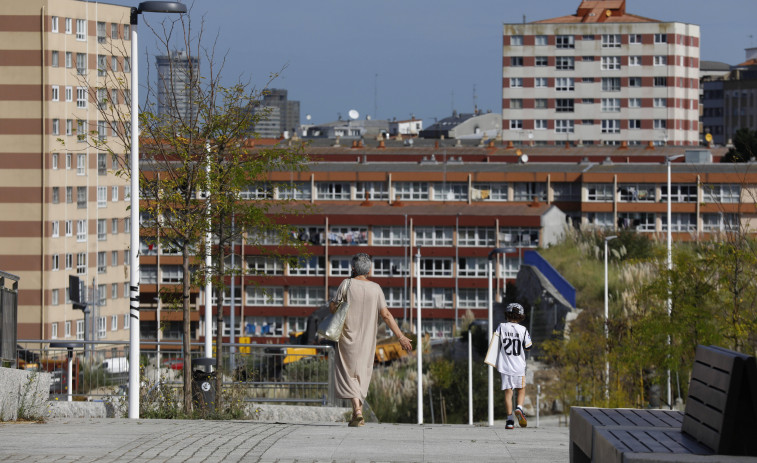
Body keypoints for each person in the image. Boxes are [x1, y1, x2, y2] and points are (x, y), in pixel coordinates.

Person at [329, 253, 413, 427]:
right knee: (362, 373)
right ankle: (356, 415)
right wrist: (401, 337)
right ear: (369, 270)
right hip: (368, 338)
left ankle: (358, 412)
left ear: (353, 268)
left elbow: (333, 308)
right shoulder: (376, 288)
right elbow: (386, 315)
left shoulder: (346, 284)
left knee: (348, 373)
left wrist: (336, 304)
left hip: (347, 336)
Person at [494, 302, 533, 429]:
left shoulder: (501, 327)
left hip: (504, 366)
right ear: (521, 316)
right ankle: (519, 408)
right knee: (521, 390)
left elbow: (495, 342)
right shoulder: (523, 330)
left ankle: (509, 420)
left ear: (507, 314)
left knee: (508, 393)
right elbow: (528, 347)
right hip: (519, 366)